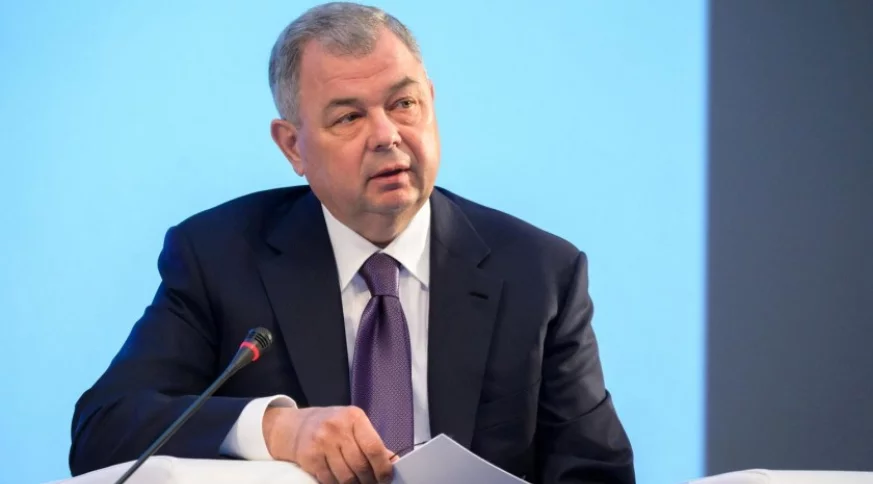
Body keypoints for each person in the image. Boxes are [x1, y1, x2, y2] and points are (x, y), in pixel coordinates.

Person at [68, 2, 635, 483]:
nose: (387, 135)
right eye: (348, 118)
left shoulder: (540, 273)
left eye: (404, 104)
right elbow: (104, 429)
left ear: (432, 102)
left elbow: (597, 471)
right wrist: (278, 429)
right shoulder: (220, 257)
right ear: (293, 146)